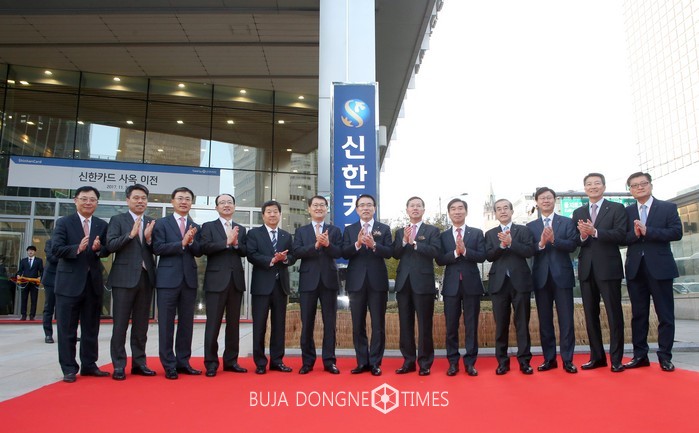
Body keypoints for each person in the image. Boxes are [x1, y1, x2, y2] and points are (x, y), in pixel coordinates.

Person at [623, 172, 682, 372]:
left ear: (650, 185)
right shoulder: (627, 211)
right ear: (630, 190)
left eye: (643, 183)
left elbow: (677, 232)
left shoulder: (667, 207)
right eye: (635, 185)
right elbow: (622, 238)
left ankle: (665, 356)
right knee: (638, 315)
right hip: (635, 269)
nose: (639, 187)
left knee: (665, 315)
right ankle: (640, 356)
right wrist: (635, 234)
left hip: (660, 268)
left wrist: (649, 231)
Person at [52, 186, 110, 383]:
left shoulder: (101, 225)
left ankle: (89, 365)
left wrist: (99, 249)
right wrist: (77, 248)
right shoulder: (64, 223)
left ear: (97, 203)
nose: (88, 203)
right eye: (84, 199)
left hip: (92, 284)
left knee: (91, 328)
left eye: (92, 199)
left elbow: (106, 250)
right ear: (75, 200)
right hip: (69, 284)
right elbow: (56, 249)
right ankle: (69, 368)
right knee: (67, 329)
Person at [572, 172, 628, 373]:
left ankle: (616, 359)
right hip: (587, 270)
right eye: (589, 184)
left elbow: (621, 235)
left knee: (614, 314)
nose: (593, 187)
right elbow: (575, 241)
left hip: (609, 268)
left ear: (604, 187)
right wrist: (583, 235)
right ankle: (597, 357)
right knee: (590, 315)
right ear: (584, 188)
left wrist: (595, 232)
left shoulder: (616, 208)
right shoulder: (578, 212)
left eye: (597, 183)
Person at [106, 184, 157, 381]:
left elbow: (157, 248)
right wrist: (130, 235)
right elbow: (110, 245)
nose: (140, 201)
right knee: (120, 325)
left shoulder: (152, 222)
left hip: (146, 278)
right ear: (128, 200)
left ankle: (139, 363)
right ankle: (119, 365)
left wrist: (149, 240)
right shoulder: (118, 220)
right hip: (123, 279)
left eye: (143, 198)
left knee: (141, 326)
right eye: (136, 198)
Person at [526, 187, 578, 374]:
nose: (546, 201)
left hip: (562, 276)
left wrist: (555, 240)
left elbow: (573, 245)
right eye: (542, 198)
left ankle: (567, 360)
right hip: (541, 278)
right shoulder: (530, 226)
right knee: (545, 321)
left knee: (566, 320)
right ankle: (549, 359)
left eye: (549, 197)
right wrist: (541, 243)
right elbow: (528, 250)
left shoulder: (566, 222)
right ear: (537, 202)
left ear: (554, 200)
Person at [152, 187, 202, 380]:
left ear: (191, 203)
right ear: (172, 201)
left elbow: (198, 251)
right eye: (180, 198)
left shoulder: (195, 225)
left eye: (187, 199)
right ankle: (169, 364)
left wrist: (191, 242)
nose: (184, 202)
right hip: (167, 280)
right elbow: (157, 248)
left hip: (188, 280)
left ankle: (183, 362)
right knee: (166, 324)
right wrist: (181, 243)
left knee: (186, 324)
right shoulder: (162, 224)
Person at [342, 194, 393, 376]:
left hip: (377, 282)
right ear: (357, 209)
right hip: (356, 282)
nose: (365, 208)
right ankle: (362, 361)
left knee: (378, 324)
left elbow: (390, 252)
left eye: (369, 205)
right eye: (362, 205)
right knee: (358, 324)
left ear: (374, 208)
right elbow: (344, 253)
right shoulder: (349, 229)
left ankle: (375, 363)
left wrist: (374, 245)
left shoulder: (384, 229)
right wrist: (357, 244)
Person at [436, 198, 486, 377]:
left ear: (466, 211)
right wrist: (455, 253)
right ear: (449, 213)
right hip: (451, 285)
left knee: (471, 325)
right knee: (451, 326)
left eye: (460, 208)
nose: (457, 211)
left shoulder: (476, 233)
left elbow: (482, 256)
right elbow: (439, 259)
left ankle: (470, 363)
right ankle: (453, 362)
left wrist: (465, 251)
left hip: (472, 284)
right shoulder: (443, 236)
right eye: (453, 209)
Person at [292, 195, 342, 375]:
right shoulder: (301, 231)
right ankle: (307, 361)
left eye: (322, 205)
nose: (319, 208)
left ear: (327, 209)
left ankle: (329, 361)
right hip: (308, 281)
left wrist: (327, 244)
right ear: (309, 209)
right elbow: (297, 252)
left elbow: (339, 252)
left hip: (329, 280)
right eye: (315, 205)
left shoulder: (334, 230)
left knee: (330, 323)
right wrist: (315, 245)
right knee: (307, 323)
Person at [485, 199, 536, 375]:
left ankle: (524, 361)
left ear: (512, 211)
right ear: (495, 213)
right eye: (499, 209)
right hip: (499, 284)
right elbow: (489, 256)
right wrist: (502, 245)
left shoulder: (523, 230)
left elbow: (529, 251)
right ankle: (502, 362)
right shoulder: (490, 233)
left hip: (520, 282)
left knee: (522, 323)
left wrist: (511, 243)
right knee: (501, 325)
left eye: (506, 208)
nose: (503, 211)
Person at [200, 194, 248, 377]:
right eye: (222, 203)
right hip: (215, 282)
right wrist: (226, 242)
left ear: (234, 206)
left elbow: (245, 251)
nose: (226, 205)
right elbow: (205, 248)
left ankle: (231, 361)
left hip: (235, 281)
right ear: (216, 207)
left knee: (233, 324)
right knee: (213, 324)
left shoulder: (241, 229)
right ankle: (211, 363)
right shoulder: (208, 227)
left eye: (229, 202)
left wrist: (236, 245)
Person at [392, 196, 440, 376]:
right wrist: (404, 241)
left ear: (423, 210)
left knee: (425, 325)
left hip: (423, 283)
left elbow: (435, 251)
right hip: (403, 283)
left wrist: (415, 243)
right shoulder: (400, 232)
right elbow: (395, 253)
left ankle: (425, 363)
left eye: (418, 206)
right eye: (412, 206)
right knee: (405, 324)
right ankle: (408, 361)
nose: (415, 208)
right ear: (407, 210)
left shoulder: (432, 230)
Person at [246, 200, 296, 375]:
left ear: (280, 214)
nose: (272, 214)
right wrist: (271, 260)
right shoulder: (254, 234)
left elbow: (293, 256)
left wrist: (285, 259)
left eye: (275, 211)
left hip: (280, 286)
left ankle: (277, 361)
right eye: (269, 212)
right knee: (259, 325)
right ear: (263, 215)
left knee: (279, 325)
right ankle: (260, 362)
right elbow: (251, 255)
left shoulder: (286, 236)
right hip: (261, 286)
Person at [16, 245, 43, 321]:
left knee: (34, 299)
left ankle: (32, 315)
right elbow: (20, 270)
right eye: (29, 250)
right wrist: (18, 275)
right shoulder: (23, 260)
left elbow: (41, 271)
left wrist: (40, 277)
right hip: (25, 282)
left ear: (35, 252)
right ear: (27, 252)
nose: (30, 252)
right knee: (24, 299)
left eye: (32, 250)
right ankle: (23, 315)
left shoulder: (39, 260)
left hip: (34, 282)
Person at [41, 240, 57, 343]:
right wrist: (68, 256)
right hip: (51, 279)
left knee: (66, 309)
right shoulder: (50, 242)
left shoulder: (69, 243)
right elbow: (51, 258)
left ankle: (68, 334)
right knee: (49, 308)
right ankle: (48, 334)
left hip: (65, 279)